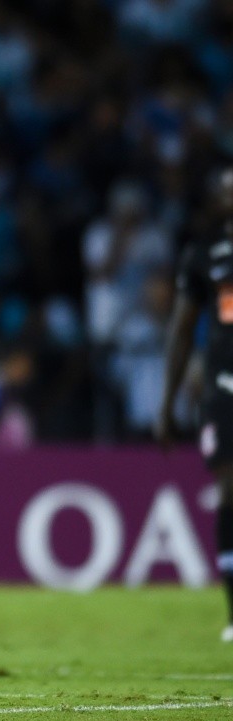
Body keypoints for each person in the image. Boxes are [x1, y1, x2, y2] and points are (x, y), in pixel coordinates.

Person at [155, 165, 233, 643]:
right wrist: (166, 403)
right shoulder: (205, 255)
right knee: (230, 491)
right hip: (225, 385)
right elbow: (183, 329)